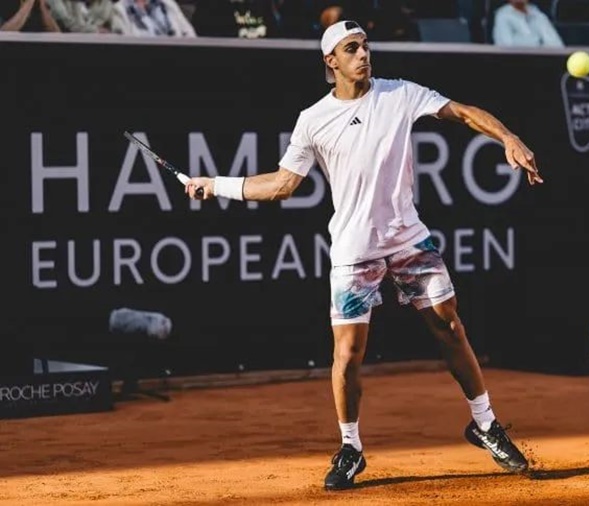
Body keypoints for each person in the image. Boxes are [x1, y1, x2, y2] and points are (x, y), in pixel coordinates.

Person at [184, 20, 542, 491]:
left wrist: (507, 137)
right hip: (355, 248)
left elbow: (463, 113)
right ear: (331, 61)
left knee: (449, 324)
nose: (363, 54)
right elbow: (282, 184)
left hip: (408, 238)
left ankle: (485, 424)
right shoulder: (313, 119)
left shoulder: (401, 94)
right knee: (348, 353)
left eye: (365, 46)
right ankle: (351, 448)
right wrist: (216, 185)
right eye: (351, 49)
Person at [491, 0, 564, 47]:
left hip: (543, 63)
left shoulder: (539, 15)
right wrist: (538, 43)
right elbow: (505, 47)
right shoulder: (502, 16)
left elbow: (556, 45)